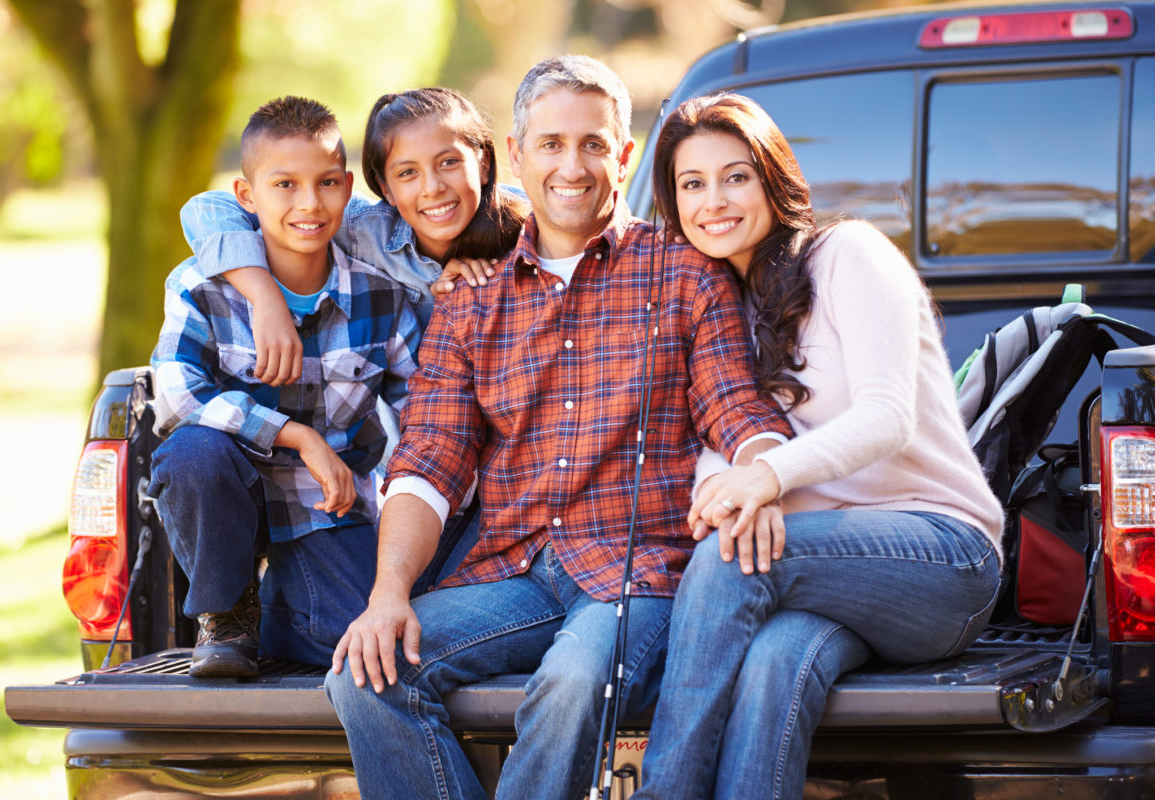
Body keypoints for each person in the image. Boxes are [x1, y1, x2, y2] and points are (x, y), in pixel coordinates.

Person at [323, 56, 793, 800]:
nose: (571, 166)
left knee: (573, 683)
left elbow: (736, 405)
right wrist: (388, 595)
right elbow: (429, 460)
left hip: (637, 576)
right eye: (550, 144)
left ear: (626, 157)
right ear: (516, 155)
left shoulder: (685, 274)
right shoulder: (471, 302)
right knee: (364, 672)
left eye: (594, 145)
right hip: (515, 573)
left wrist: (766, 473)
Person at [630, 93, 1005, 800]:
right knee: (777, 659)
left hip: (940, 556)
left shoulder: (848, 255)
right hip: (815, 570)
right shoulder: (713, 308)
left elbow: (886, 416)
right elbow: (717, 436)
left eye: (736, 176)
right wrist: (744, 484)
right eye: (692, 183)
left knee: (726, 562)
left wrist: (766, 478)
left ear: (772, 177)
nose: (715, 200)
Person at [149, 96, 421, 677]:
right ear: (247, 197)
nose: (308, 203)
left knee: (367, 648)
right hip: (230, 491)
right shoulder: (204, 286)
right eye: (284, 185)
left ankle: (279, 614)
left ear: (348, 188)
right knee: (193, 450)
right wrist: (298, 436)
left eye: (325, 182)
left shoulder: (380, 295)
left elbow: (425, 409)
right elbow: (175, 393)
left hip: (326, 507)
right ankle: (227, 612)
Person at [180, 87, 528, 386]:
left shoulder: (528, 225)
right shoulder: (361, 231)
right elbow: (206, 209)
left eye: (449, 162)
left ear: (482, 163)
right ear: (385, 188)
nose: (433, 188)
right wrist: (265, 298)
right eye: (408, 172)